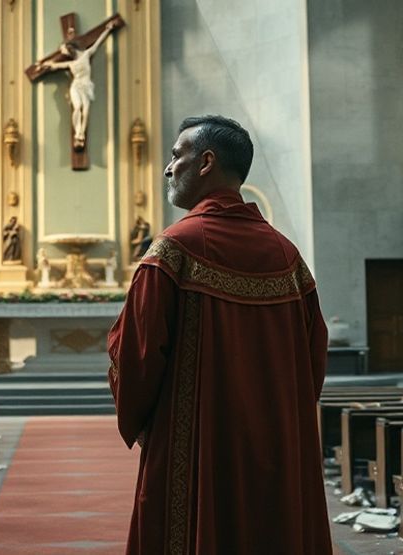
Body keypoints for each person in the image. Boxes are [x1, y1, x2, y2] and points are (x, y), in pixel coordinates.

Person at [107, 115, 330, 554]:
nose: (169, 168)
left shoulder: (172, 250)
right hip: (277, 447)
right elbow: (313, 361)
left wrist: (145, 420)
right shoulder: (288, 257)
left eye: (177, 156)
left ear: (206, 162)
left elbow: (136, 356)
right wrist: (282, 420)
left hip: (194, 451)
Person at [40, 20, 118, 150]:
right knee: (77, 108)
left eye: (64, 51)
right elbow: (54, 66)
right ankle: (78, 133)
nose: (63, 53)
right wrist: (42, 65)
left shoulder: (86, 55)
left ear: (70, 50)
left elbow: (98, 42)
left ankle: (81, 132)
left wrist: (108, 29)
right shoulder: (70, 64)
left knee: (85, 110)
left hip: (86, 86)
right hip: (76, 86)